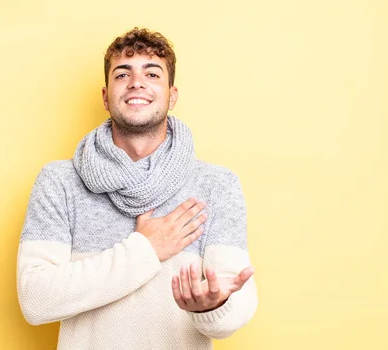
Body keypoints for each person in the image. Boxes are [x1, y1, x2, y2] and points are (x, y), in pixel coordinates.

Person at [17, 27, 258, 349]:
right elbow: (36, 300)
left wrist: (212, 307)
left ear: (172, 95)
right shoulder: (59, 181)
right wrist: (145, 249)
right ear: (106, 97)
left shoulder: (216, 185)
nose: (137, 83)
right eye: (122, 74)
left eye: (152, 73)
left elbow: (234, 306)